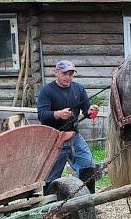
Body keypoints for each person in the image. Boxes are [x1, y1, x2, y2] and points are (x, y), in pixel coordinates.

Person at [37, 60, 99, 194]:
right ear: (56, 72)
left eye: (71, 74)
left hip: (74, 136)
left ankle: (88, 203)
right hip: (54, 139)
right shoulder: (46, 91)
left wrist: (91, 111)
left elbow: (86, 110)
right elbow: (42, 115)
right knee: (51, 176)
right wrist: (58, 114)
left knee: (87, 165)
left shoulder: (79, 89)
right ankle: (51, 208)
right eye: (65, 73)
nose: (68, 77)